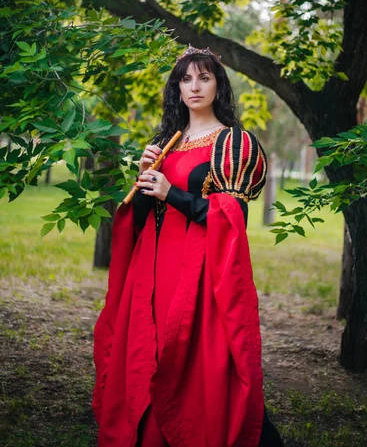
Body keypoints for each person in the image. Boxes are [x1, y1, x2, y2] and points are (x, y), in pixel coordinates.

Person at [92, 46, 284, 447]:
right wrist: (146, 180)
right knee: (151, 354)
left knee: (192, 361)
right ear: (176, 88)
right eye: (186, 79)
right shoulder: (166, 141)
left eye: (204, 77)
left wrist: (170, 193)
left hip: (199, 272)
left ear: (218, 85)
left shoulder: (234, 144)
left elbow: (233, 220)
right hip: (154, 270)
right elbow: (141, 217)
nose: (194, 87)